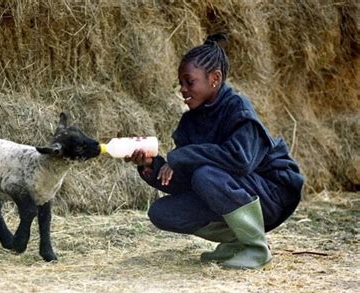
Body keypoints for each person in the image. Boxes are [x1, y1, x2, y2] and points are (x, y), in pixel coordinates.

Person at [125, 33, 304, 269]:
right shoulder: (189, 122)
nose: (183, 89)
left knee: (206, 175)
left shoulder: (237, 107)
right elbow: (185, 183)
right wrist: (150, 166)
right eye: (180, 83)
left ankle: (256, 248)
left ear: (215, 78)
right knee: (162, 212)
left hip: (272, 191)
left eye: (190, 82)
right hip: (230, 188)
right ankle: (238, 242)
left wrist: (181, 157)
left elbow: (240, 160)